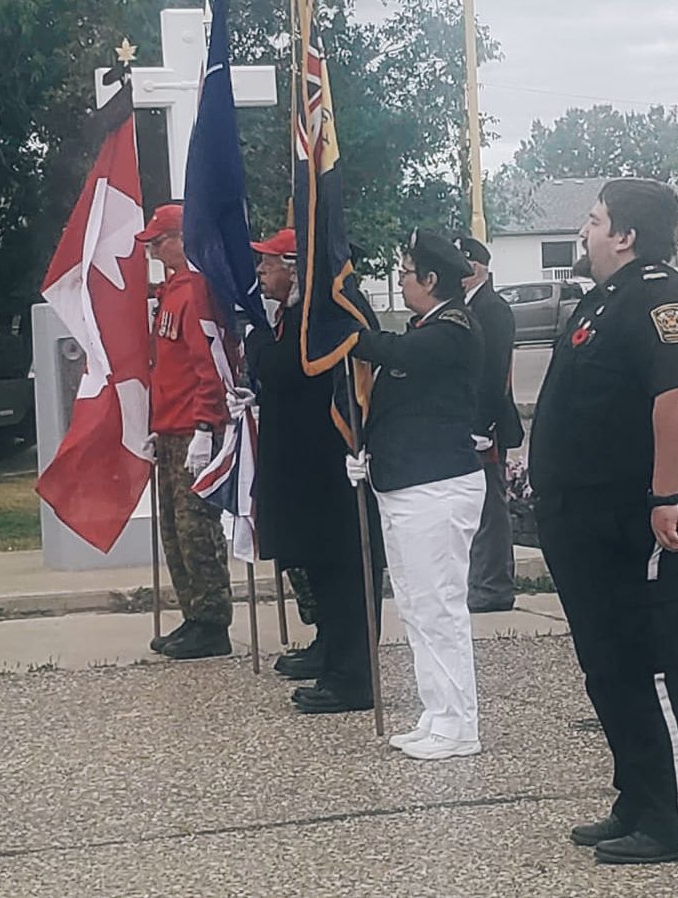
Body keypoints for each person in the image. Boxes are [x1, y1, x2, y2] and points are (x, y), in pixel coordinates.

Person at [531, 178, 678, 866]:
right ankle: (637, 798)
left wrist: (664, 494)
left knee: (653, 665)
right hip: (588, 524)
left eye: (593, 219)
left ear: (626, 235)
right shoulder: (606, 299)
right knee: (609, 668)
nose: (584, 231)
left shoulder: (661, 297)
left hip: (644, 523)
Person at [348, 229, 486, 760]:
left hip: (437, 489)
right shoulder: (429, 326)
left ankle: (460, 725)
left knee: (440, 608)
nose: (402, 282)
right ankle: (438, 713)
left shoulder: (451, 329)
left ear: (431, 280)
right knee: (415, 607)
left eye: (406, 274)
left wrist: (341, 326)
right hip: (407, 484)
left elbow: (390, 348)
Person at [244, 229, 385, 714]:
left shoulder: (328, 311)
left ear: (294, 265)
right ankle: (331, 652)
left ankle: (352, 677)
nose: (260, 272)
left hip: (333, 467)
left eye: (268, 263)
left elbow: (285, 368)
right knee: (322, 569)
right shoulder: (297, 312)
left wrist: (255, 337)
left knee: (346, 572)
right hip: (307, 468)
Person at [136, 203, 233, 660]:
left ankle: (213, 621)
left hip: (193, 428)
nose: (153, 250)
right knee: (174, 530)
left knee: (197, 526)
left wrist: (204, 424)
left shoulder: (194, 291)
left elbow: (207, 365)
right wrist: (160, 426)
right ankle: (195, 615)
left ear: (181, 238)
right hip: (171, 427)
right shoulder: (172, 291)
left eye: (159, 241)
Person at [456, 235, 525, 613]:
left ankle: (494, 585)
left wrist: (482, 426)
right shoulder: (469, 306)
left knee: (490, 508)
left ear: (477, 268)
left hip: (488, 422)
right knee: (477, 505)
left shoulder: (492, 308)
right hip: (473, 419)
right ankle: (481, 581)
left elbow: (495, 372)